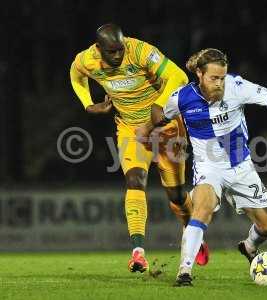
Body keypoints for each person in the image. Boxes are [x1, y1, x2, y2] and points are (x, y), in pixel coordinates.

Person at [141, 48, 267, 286]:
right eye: (214, 78)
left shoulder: (237, 87)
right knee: (202, 209)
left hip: (241, 166)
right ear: (200, 74)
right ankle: (184, 273)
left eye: (222, 77)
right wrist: (149, 125)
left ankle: (248, 246)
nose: (219, 83)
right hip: (208, 167)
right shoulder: (181, 97)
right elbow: (159, 114)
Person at [69, 24, 209, 273]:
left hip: (166, 128)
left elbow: (178, 77)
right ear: (99, 49)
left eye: (120, 49)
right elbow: (75, 73)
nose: (118, 55)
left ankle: (194, 235)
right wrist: (88, 104)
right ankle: (138, 252)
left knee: (176, 196)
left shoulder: (141, 51)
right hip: (130, 129)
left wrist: (158, 104)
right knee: (135, 179)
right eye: (111, 52)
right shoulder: (87, 59)